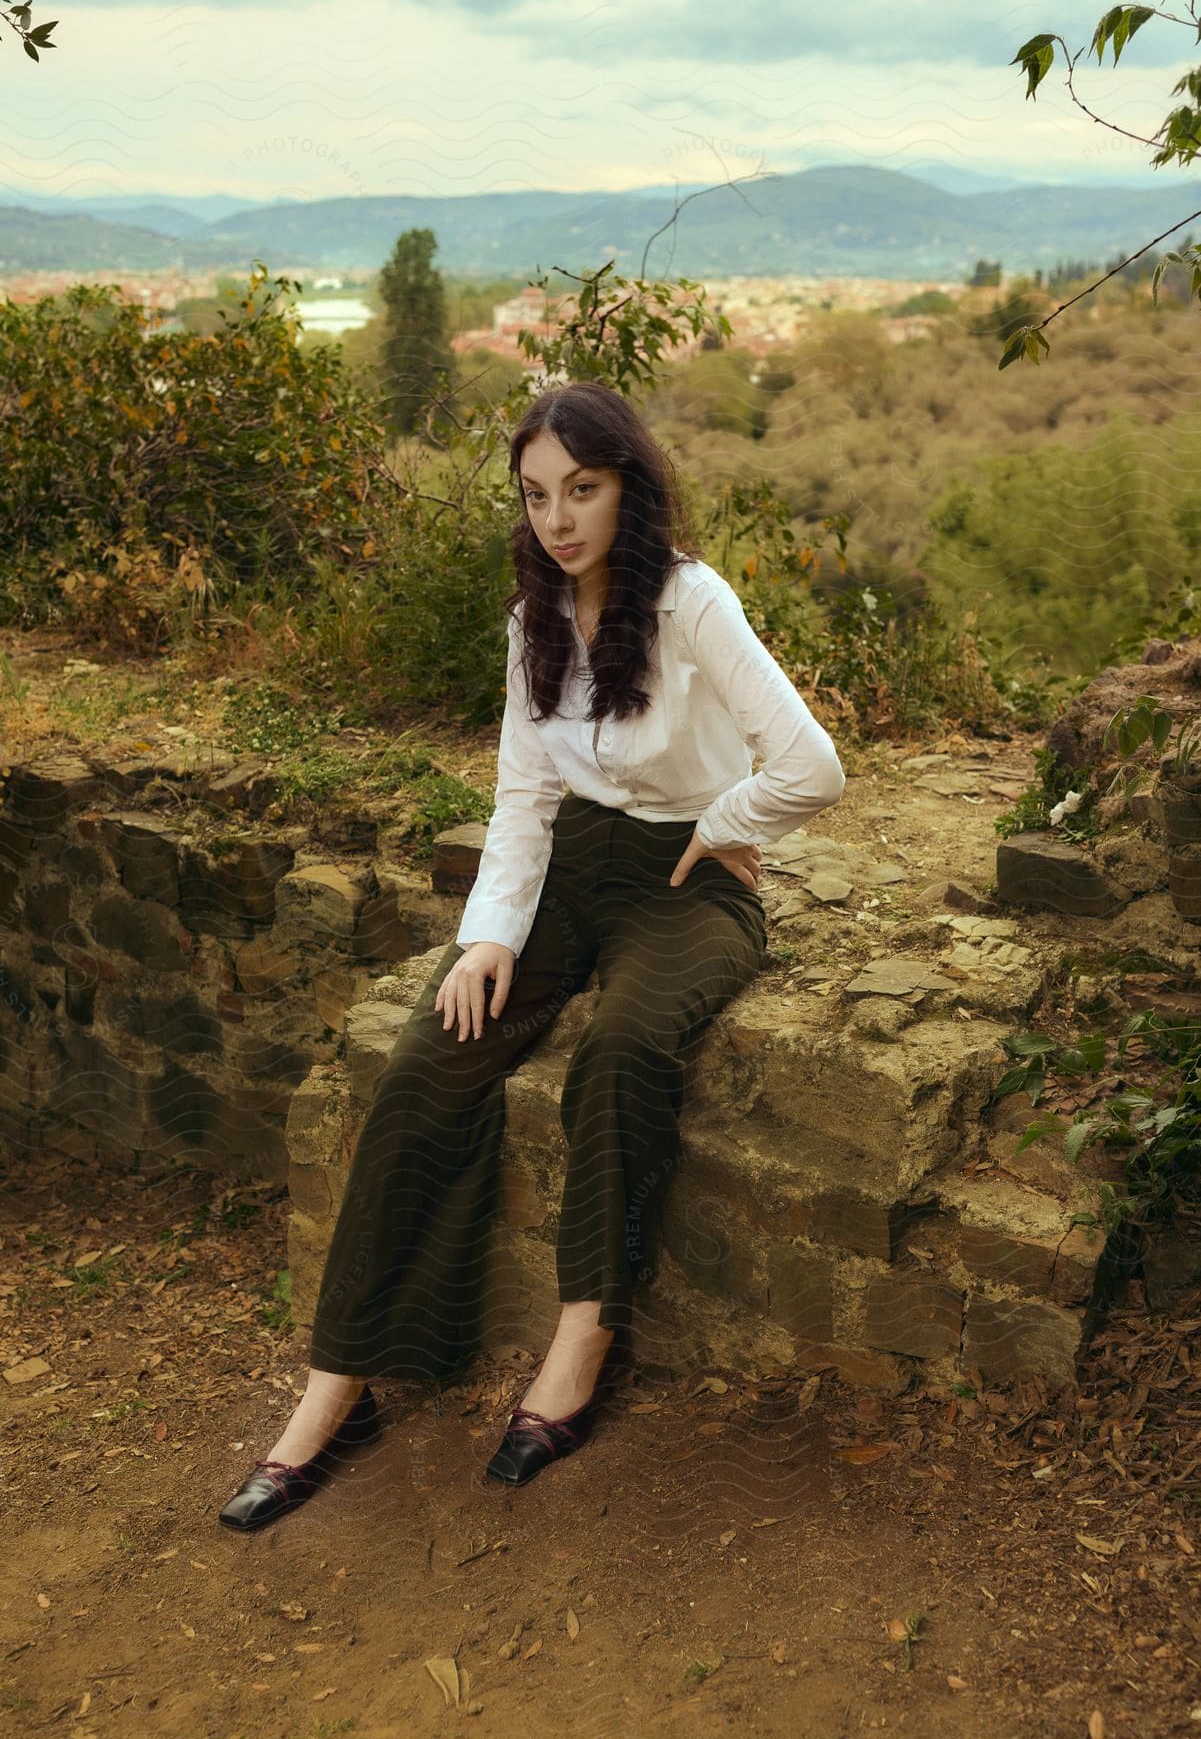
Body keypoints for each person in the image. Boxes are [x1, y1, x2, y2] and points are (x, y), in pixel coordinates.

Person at [218, 379, 846, 1532]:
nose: (560, 519)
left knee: (622, 1048)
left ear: (629, 489)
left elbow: (814, 766)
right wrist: (488, 937)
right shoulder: (533, 620)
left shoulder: (692, 602)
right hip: (565, 874)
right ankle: (336, 1391)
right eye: (538, 495)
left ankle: (578, 1344)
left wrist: (722, 829)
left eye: (584, 490)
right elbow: (523, 795)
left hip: (687, 877)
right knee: (426, 1061)